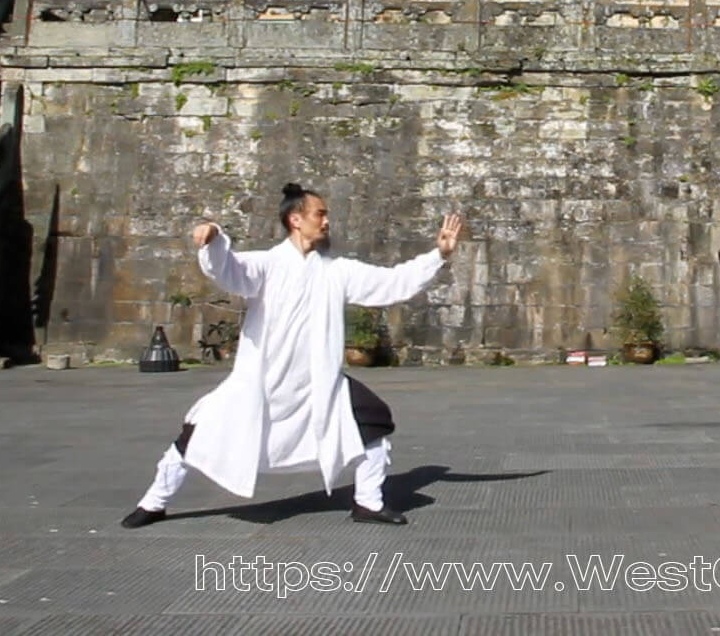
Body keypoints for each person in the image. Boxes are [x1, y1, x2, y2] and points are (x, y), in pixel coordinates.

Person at [122, 185, 464, 528]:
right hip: (261, 383)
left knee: (373, 421)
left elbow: (392, 282)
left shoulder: (337, 271)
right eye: (320, 214)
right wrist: (213, 238)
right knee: (195, 435)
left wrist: (438, 255)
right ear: (295, 219)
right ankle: (154, 502)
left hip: (318, 384)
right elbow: (229, 269)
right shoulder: (266, 265)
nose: (327, 221)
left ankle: (368, 502)